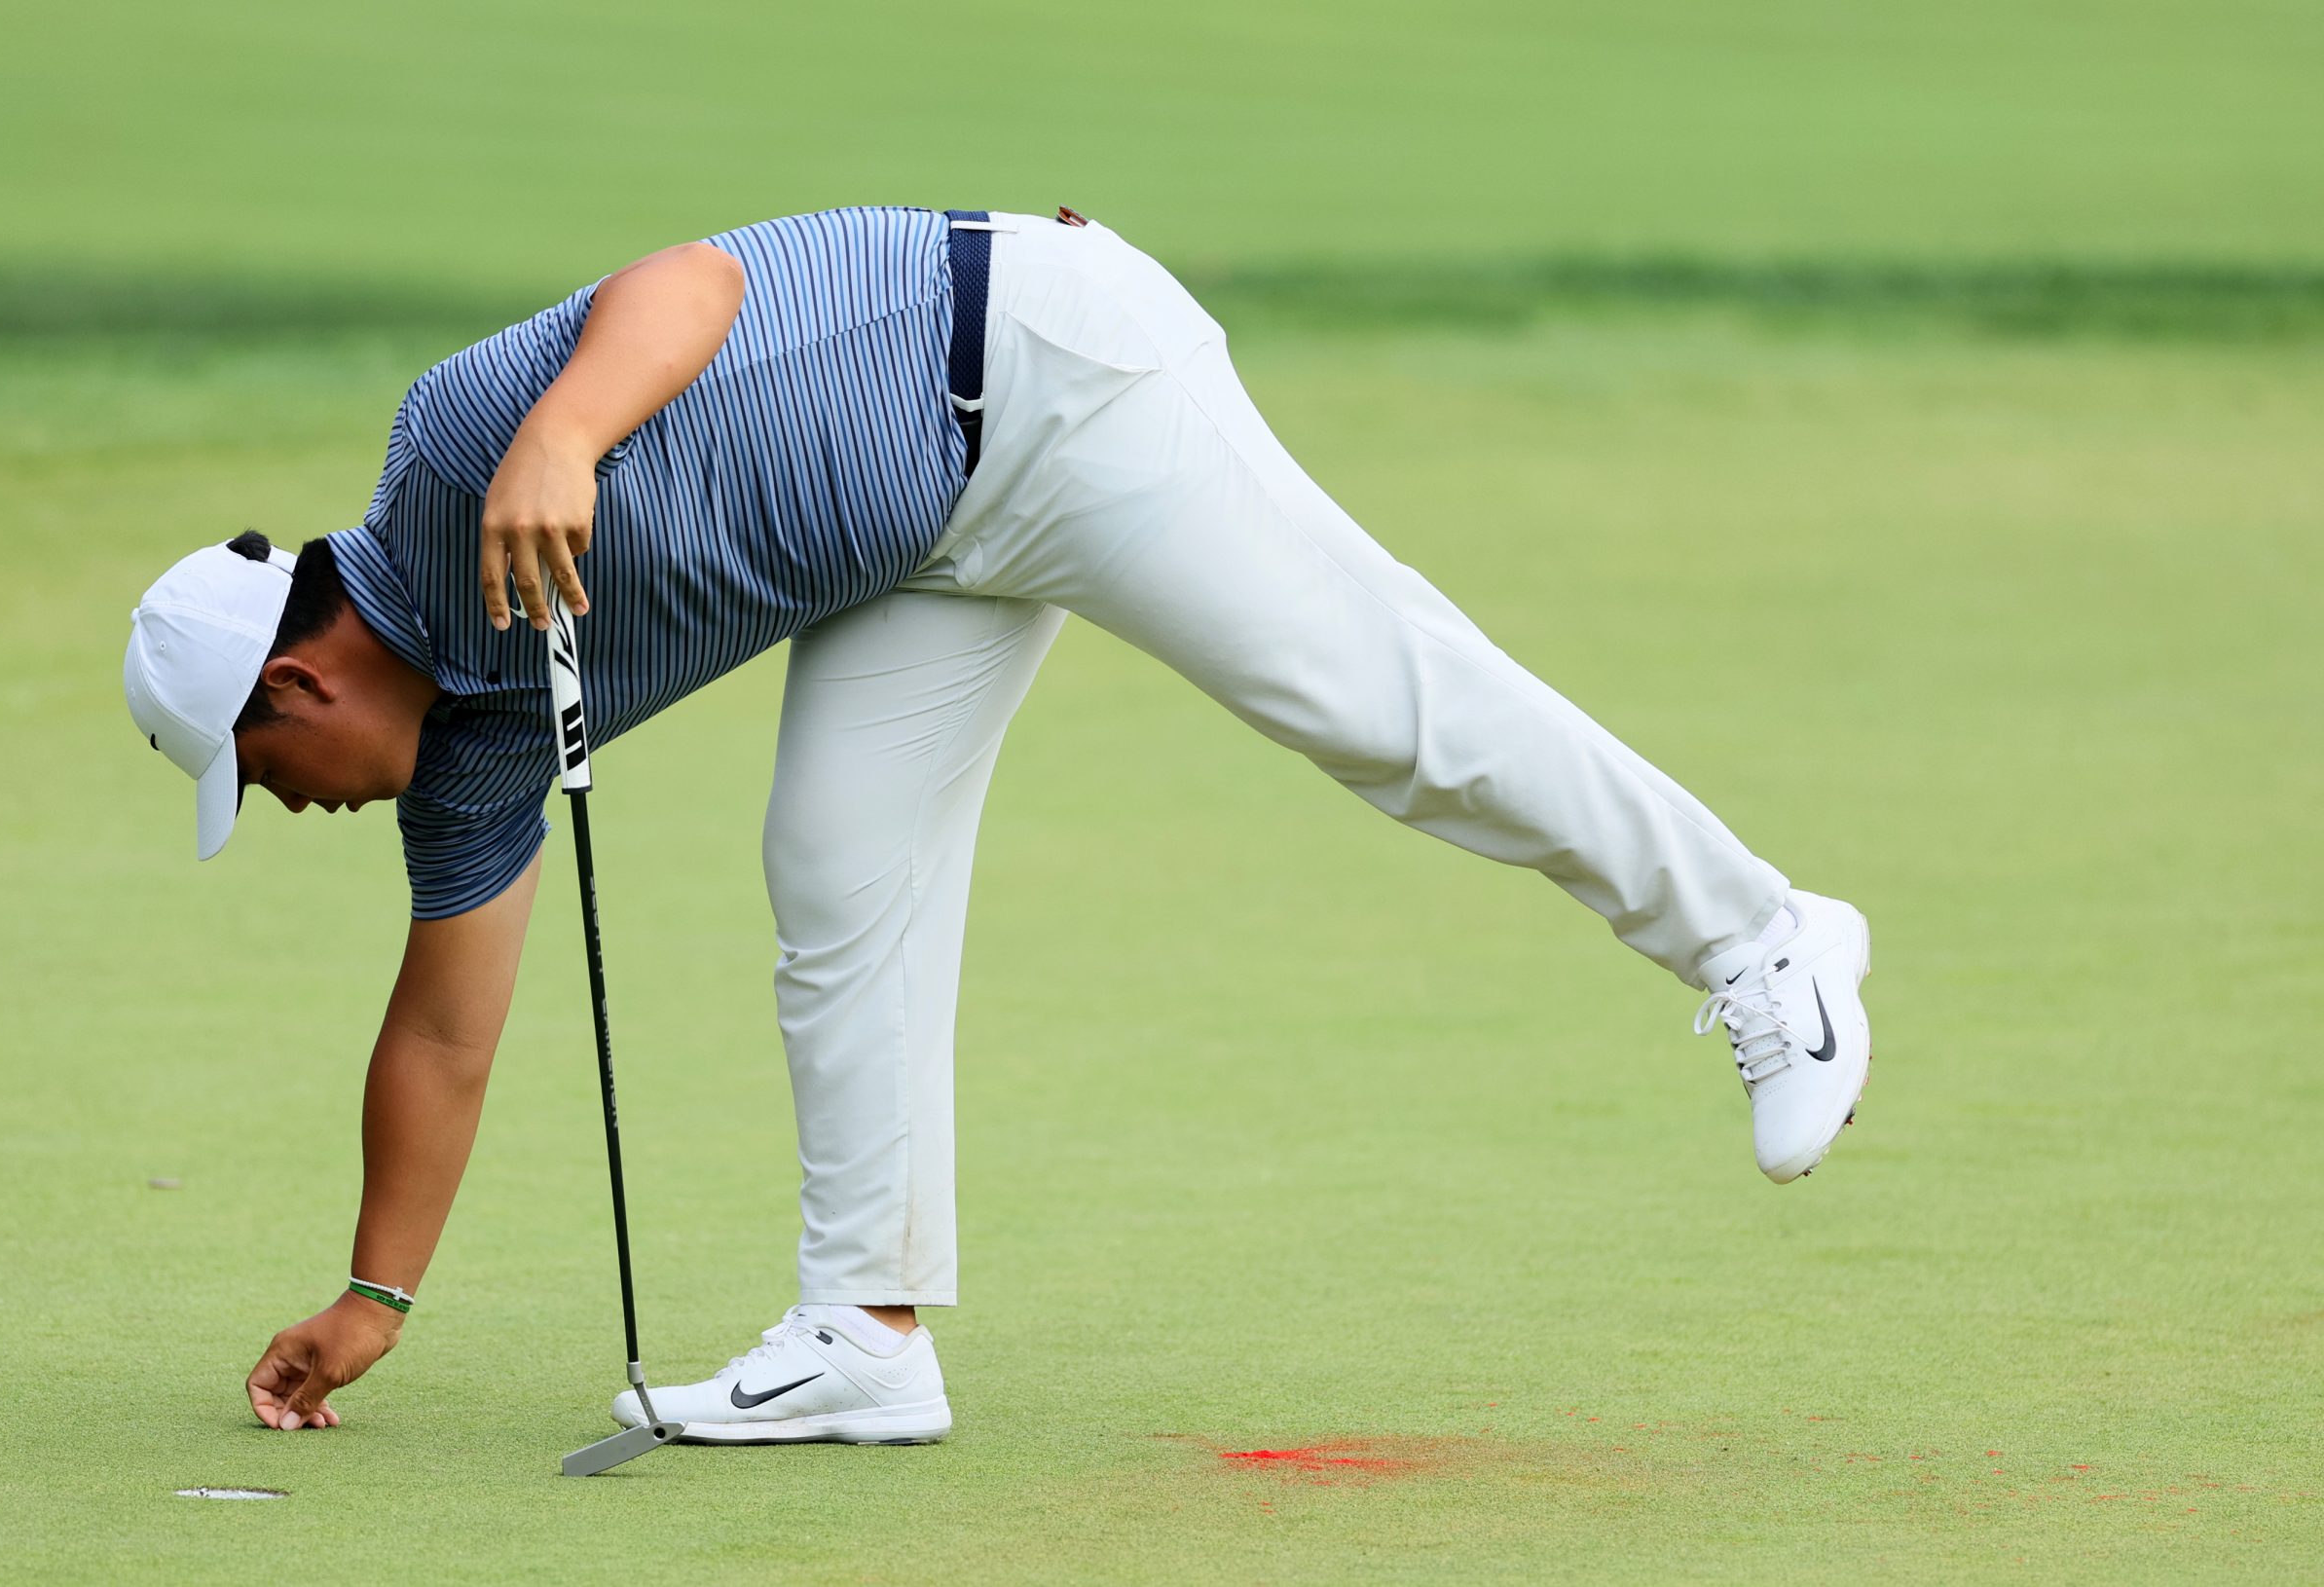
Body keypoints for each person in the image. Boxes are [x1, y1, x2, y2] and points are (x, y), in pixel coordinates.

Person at [122, 205, 1872, 1445]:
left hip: (1037, 374)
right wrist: (377, 1298)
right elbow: (443, 1031)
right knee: (836, 862)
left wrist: (563, 431)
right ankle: (865, 1333)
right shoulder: (473, 756)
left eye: (265, 779)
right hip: (919, 544)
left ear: (290, 689)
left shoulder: (445, 465)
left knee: (1379, 706)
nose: (293, 807)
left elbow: (690, 282)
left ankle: (1761, 939)